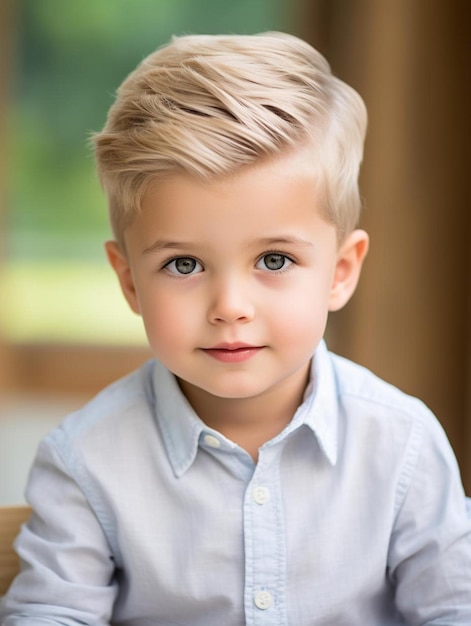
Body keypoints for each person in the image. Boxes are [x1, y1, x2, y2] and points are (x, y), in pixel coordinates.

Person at [1, 31, 470, 625]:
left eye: (274, 260)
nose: (230, 306)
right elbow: (51, 612)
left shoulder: (402, 444)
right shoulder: (85, 460)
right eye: (184, 265)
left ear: (340, 272)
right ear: (129, 283)